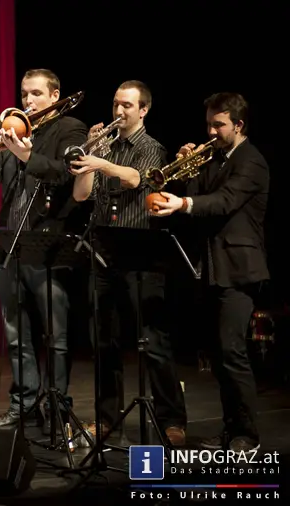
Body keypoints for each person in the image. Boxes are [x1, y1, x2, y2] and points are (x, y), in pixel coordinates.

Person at [71, 80, 187, 446]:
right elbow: (82, 195)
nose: (118, 111)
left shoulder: (152, 147)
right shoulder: (104, 148)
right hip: (104, 253)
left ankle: (172, 419)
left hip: (142, 256)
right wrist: (89, 156)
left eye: (127, 105)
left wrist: (102, 162)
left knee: (153, 342)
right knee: (104, 342)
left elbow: (137, 179)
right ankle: (108, 420)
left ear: (143, 110)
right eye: (115, 104)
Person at [150, 92, 268, 452]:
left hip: (239, 269)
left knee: (232, 353)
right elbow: (197, 198)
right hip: (211, 267)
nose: (211, 132)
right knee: (217, 356)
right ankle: (231, 430)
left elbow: (224, 201)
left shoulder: (251, 161)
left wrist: (184, 202)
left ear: (239, 125)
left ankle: (248, 434)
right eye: (209, 124)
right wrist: (188, 169)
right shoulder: (215, 160)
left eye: (219, 125)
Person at [0, 69, 87, 430]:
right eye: (25, 94)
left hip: (48, 245)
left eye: (37, 94)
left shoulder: (70, 128)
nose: (28, 101)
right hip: (11, 245)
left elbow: (66, 172)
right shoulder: (16, 128)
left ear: (55, 96)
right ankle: (23, 404)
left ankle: (57, 407)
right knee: (16, 334)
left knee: (56, 336)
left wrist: (26, 156)